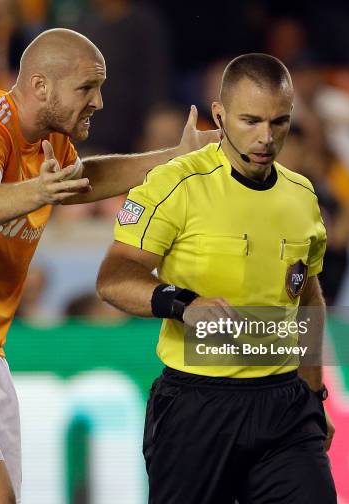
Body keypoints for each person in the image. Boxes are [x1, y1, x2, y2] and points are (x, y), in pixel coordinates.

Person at [0, 28, 217, 504]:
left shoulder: (51, 142)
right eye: (86, 88)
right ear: (39, 86)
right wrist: (40, 191)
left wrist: (174, 158)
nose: (98, 101)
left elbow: (84, 179)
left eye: (100, 87)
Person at [97, 53, 336, 503]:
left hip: (285, 405)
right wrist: (183, 303)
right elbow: (113, 277)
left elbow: (307, 298)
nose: (266, 137)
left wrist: (313, 395)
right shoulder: (175, 184)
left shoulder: (303, 195)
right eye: (250, 120)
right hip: (197, 405)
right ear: (219, 115)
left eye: (279, 122)